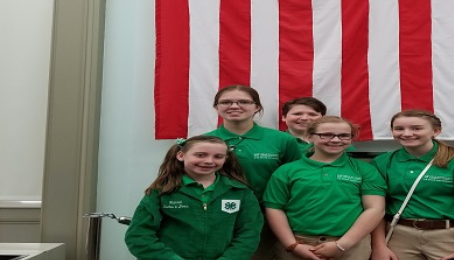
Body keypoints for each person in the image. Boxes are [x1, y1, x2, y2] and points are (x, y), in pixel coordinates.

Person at [370, 110, 454, 260]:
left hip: (448, 236)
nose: (407, 134)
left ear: (436, 131)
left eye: (417, 128)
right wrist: (379, 246)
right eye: (399, 129)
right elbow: (376, 208)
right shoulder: (382, 162)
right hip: (399, 235)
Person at [264, 116, 387, 260]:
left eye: (343, 136)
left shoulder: (365, 170)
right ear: (310, 136)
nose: (335, 140)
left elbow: (375, 209)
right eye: (327, 135)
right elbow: (275, 209)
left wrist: (342, 245)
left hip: (350, 247)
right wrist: (293, 245)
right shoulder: (286, 171)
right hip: (298, 245)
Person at [125, 136, 263, 260]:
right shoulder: (162, 191)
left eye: (218, 156)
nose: (209, 161)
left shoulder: (240, 192)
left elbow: (249, 234)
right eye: (200, 155)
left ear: (225, 159)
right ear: (180, 155)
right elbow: (138, 235)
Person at [205, 84, 302, 260]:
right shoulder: (202, 141)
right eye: (226, 102)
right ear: (216, 107)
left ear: (257, 107)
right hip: (216, 217)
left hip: (269, 219)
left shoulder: (283, 140)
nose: (234, 106)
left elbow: (297, 181)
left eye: (243, 101)